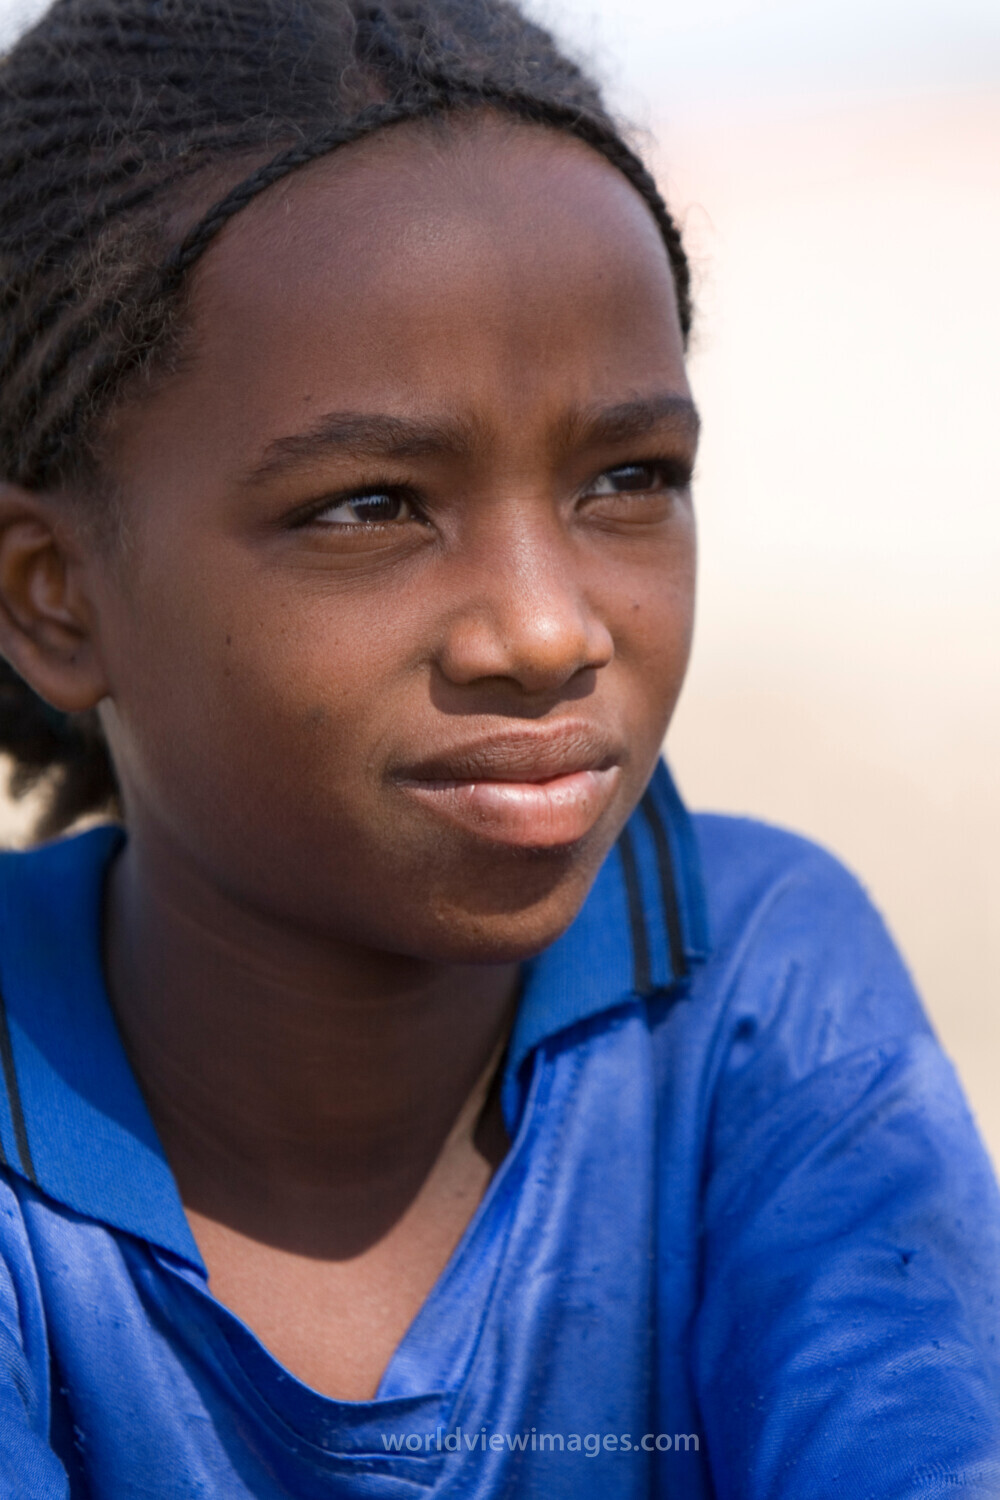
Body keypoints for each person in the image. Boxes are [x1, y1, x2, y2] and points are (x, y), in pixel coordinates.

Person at [0, 0, 996, 1493]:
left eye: (627, 479)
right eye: (372, 504)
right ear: (54, 596)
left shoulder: (748, 991)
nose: (545, 632)